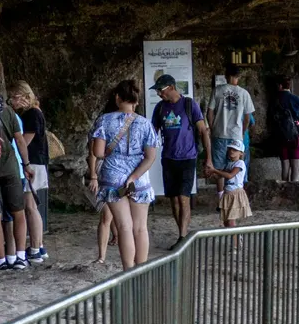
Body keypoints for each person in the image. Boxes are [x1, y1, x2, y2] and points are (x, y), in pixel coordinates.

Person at [87, 80, 160, 270]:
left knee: (124, 227)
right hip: (139, 178)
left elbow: (99, 153)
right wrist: (134, 177)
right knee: (140, 227)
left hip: (113, 176)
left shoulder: (104, 120)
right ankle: (141, 269)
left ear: (118, 98)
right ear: (136, 99)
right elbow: (150, 156)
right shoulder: (145, 123)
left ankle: (128, 270)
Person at [148, 73, 209, 247]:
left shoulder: (189, 105)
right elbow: (153, 132)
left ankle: (182, 237)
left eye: (161, 90)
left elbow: (203, 131)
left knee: (184, 198)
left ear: (172, 88)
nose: (159, 94)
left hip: (188, 158)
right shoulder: (160, 108)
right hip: (168, 158)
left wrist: (208, 158)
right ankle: (181, 232)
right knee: (174, 200)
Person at [6, 82, 49, 267]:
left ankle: (35, 248)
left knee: (30, 206)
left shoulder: (31, 114)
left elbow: (24, 142)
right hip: (37, 162)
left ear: (23, 96)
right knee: (32, 206)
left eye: (14, 97)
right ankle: (38, 247)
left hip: (33, 163)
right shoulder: (35, 112)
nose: (12, 101)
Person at [0, 90, 32, 271]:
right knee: (18, 212)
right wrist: (26, 164)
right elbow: (19, 140)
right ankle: (20, 256)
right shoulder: (7, 110)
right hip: (10, 167)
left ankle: (2, 260)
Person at [208, 66, 255, 188]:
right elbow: (247, 118)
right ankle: (238, 194)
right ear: (239, 77)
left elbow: (210, 113)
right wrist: (242, 131)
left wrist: (213, 128)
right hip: (236, 136)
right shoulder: (244, 93)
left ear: (225, 76)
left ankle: (221, 199)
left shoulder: (217, 90)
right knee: (237, 166)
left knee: (219, 167)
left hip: (219, 134)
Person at [267, 78, 299, 183]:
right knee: (295, 166)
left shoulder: (274, 101)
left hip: (280, 137)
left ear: (280, 86)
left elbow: (270, 120)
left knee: (285, 165)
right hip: (295, 137)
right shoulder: (298, 99)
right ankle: (294, 188)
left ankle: (284, 187)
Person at [210, 136, 251, 227]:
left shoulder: (240, 163)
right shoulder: (229, 164)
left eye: (235, 150)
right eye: (231, 149)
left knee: (231, 221)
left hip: (235, 193)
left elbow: (229, 175)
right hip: (227, 193)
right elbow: (220, 176)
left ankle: (237, 240)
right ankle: (235, 239)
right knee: (226, 221)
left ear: (241, 153)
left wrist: (214, 170)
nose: (232, 151)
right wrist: (211, 173)